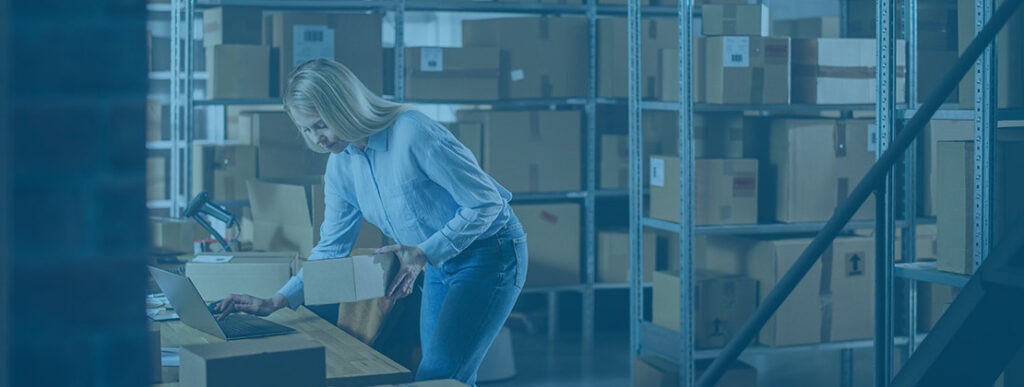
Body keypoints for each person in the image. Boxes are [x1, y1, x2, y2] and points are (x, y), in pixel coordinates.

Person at [214, 59, 528, 386]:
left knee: (441, 376)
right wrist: (277, 300)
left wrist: (423, 252)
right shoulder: (341, 167)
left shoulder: (412, 133)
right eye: (307, 130)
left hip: (492, 254)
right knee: (445, 377)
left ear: (344, 106)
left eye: (320, 124)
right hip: (437, 264)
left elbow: (487, 202)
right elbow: (332, 247)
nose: (316, 138)